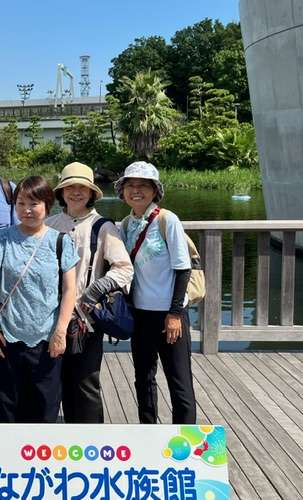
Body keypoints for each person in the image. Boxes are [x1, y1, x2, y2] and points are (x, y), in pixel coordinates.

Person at [0, 175, 78, 423]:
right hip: (6, 337)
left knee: (44, 406)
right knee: (6, 406)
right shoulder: (2, 239)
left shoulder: (60, 241)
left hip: (46, 340)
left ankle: (39, 460)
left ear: (47, 205)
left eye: (34, 203)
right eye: (21, 203)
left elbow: (69, 290)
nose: (27, 210)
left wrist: (60, 331)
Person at [46, 162, 133, 423]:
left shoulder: (102, 226)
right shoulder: (49, 225)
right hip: (49, 316)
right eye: (70, 187)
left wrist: (93, 293)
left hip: (86, 319)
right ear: (61, 192)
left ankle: (89, 443)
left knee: (85, 383)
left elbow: (124, 269)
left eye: (82, 188)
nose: (76, 192)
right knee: (50, 382)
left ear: (92, 193)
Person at [115, 161, 196, 424]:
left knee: (179, 381)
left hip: (169, 315)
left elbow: (183, 269)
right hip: (139, 314)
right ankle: (148, 433)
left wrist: (174, 313)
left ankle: (185, 440)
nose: (135, 191)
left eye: (143, 186)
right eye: (130, 186)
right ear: (122, 191)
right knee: (144, 379)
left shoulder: (166, 220)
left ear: (154, 190)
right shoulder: (127, 224)